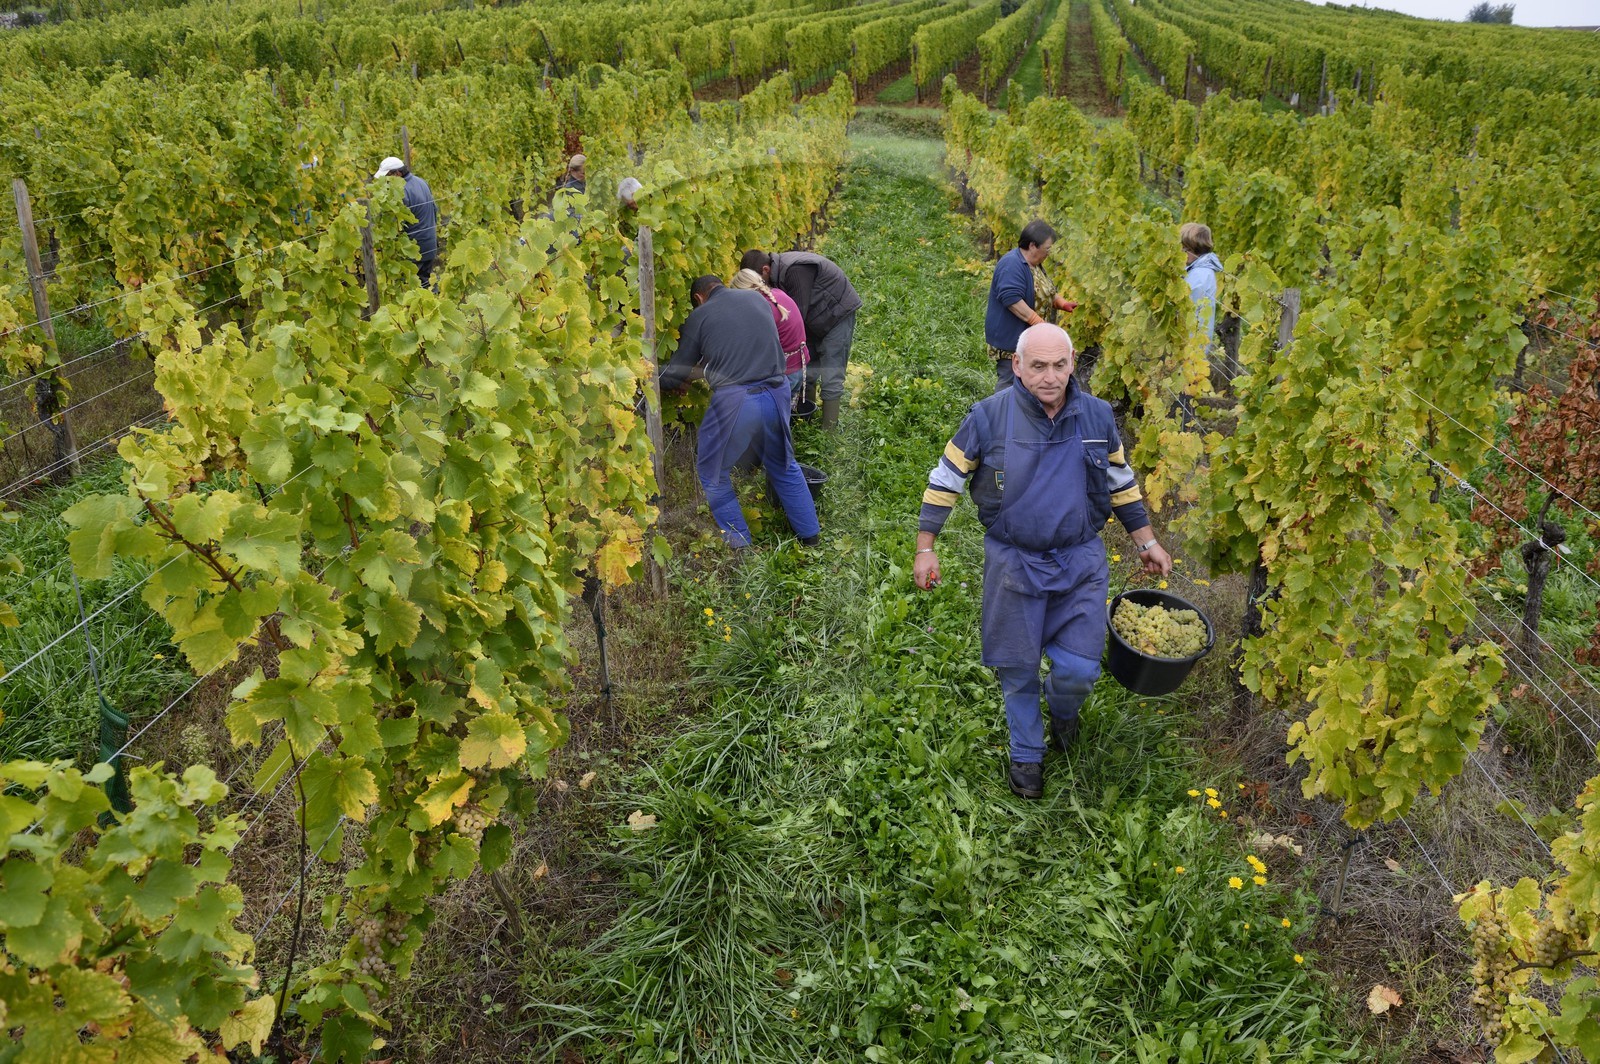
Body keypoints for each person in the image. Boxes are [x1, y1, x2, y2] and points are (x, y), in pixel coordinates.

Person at [913, 324, 1172, 800]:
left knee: (1079, 669)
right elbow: (946, 479)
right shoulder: (988, 418)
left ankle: (1064, 709)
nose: (1049, 377)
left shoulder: (1096, 418)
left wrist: (1145, 540)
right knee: (1017, 667)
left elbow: (1120, 482)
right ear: (1017, 366)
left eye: (1059, 365)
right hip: (1014, 563)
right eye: (1037, 366)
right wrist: (926, 546)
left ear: (1072, 364)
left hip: (1081, 562)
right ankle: (1027, 754)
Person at [659, 276, 821, 550]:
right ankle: (811, 539)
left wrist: (651, 379)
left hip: (738, 400)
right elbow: (740, 346)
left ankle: (741, 547)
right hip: (777, 390)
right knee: (783, 464)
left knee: (712, 472)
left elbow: (675, 375)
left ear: (699, 298)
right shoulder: (756, 299)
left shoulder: (701, 316)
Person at [739, 248, 861, 430]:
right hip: (814, 316)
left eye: (756, 282)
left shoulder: (795, 270)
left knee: (831, 374)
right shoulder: (778, 274)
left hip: (836, 315)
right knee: (806, 369)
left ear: (765, 270)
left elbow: (796, 315)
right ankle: (805, 422)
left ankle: (829, 434)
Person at [987, 220, 1075, 391]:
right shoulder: (1012, 264)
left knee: (1027, 384)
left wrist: (1061, 303)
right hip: (1011, 341)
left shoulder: (1033, 265)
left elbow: (1041, 289)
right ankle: (999, 415)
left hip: (1028, 338)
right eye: (1047, 248)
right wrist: (1038, 324)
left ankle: (1024, 414)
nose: (1049, 253)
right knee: (1010, 383)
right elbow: (1011, 298)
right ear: (1033, 245)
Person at [730, 267, 809, 398]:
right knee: (784, 414)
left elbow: (754, 350)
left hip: (784, 375)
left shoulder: (760, 309)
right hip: (800, 367)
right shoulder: (777, 293)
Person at [374, 156, 438, 286]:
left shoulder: (400, 192)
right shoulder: (421, 182)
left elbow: (392, 226)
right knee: (425, 286)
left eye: (386, 177)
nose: (384, 181)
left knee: (409, 289)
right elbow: (435, 210)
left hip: (413, 251)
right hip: (430, 244)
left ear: (397, 173)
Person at [1181, 222, 1222, 343]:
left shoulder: (1200, 275)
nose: (1182, 252)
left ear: (1196, 249)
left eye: (1185, 249)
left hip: (1191, 342)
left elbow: (1186, 304)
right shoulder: (1196, 269)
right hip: (1191, 340)